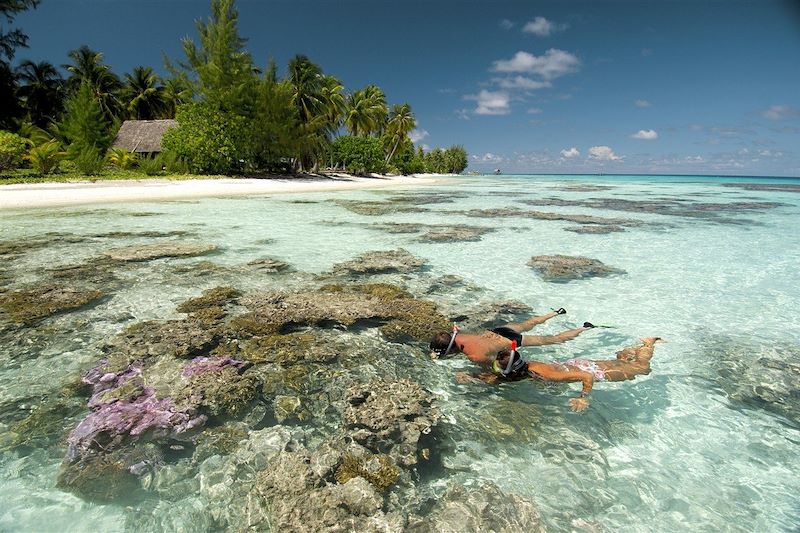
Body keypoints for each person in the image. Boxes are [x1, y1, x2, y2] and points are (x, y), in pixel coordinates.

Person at [455, 336, 663, 412]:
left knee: (642, 369)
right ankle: (626, 353)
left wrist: (584, 398)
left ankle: (648, 343)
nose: (496, 372)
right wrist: (472, 378)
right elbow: (499, 378)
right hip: (571, 365)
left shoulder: (544, 374)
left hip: (589, 371)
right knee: (621, 363)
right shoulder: (520, 369)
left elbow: (586, 377)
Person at [429, 307, 594, 363]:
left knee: (555, 339)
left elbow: (496, 367)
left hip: (511, 340)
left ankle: (584, 328)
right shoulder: (457, 334)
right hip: (499, 330)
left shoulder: (475, 356)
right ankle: (556, 312)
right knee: (530, 323)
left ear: (450, 350)